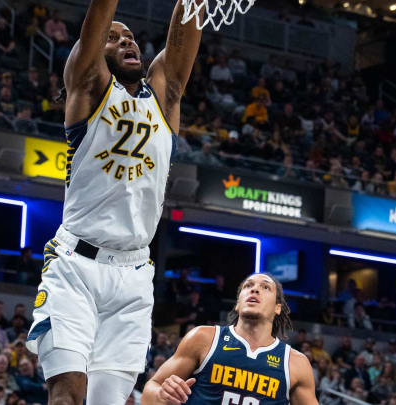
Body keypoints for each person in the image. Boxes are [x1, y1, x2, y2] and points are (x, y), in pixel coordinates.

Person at [26, 0, 203, 403]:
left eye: (132, 38)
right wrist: (103, 24)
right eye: (114, 37)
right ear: (95, 50)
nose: (128, 42)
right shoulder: (88, 86)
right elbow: (100, 14)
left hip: (135, 274)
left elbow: (184, 37)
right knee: (68, 394)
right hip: (75, 267)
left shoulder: (163, 97)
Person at [142, 273, 317, 404]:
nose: (254, 289)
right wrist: (161, 395)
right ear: (238, 303)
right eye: (248, 286)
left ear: (278, 308)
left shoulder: (295, 363)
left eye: (265, 287)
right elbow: (150, 390)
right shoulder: (203, 338)